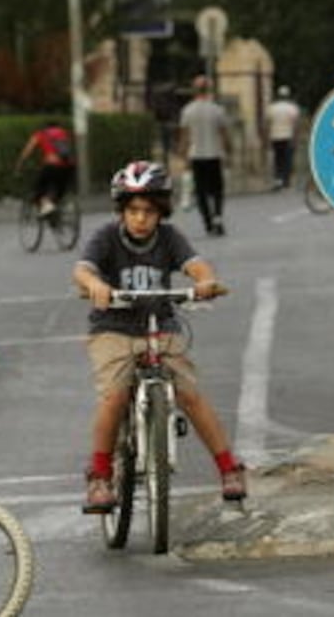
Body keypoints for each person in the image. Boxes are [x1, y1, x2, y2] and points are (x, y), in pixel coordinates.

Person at [73, 162, 245, 510]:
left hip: (161, 325)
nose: (140, 219)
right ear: (122, 211)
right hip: (114, 329)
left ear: (161, 213)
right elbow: (83, 269)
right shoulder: (106, 236)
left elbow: (196, 265)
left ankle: (229, 469)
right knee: (114, 396)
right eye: (133, 211)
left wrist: (205, 282)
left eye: (149, 212)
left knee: (190, 394)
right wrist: (95, 286)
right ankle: (100, 476)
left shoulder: (169, 238)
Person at [178, 75, 230, 237]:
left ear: (194, 90)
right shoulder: (217, 110)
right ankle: (218, 217)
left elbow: (185, 137)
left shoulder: (188, 111)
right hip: (214, 154)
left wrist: (183, 154)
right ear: (209, 90)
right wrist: (229, 150)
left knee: (200, 191)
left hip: (196, 156)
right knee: (217, 190)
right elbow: (224, 134)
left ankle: (208, 222)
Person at [14, 120, 76, 217]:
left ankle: (47, 207)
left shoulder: (41, 134)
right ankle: (54, 211)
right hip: (68, 166)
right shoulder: (63, 133)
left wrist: (20, 164)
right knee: (60, 189)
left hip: (51, 165)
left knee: (38, 189)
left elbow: (27, 151)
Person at [265, 85, 304, 191]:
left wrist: (267, 138)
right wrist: (296, 139)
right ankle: (286, 181)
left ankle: (278, 180)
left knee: (278, 159)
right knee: (287, 160)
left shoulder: (271, 108)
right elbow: (296, 125)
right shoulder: (292, 108)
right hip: (288, 137)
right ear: (288, 96)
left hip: (275, 137)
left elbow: (268, 124)